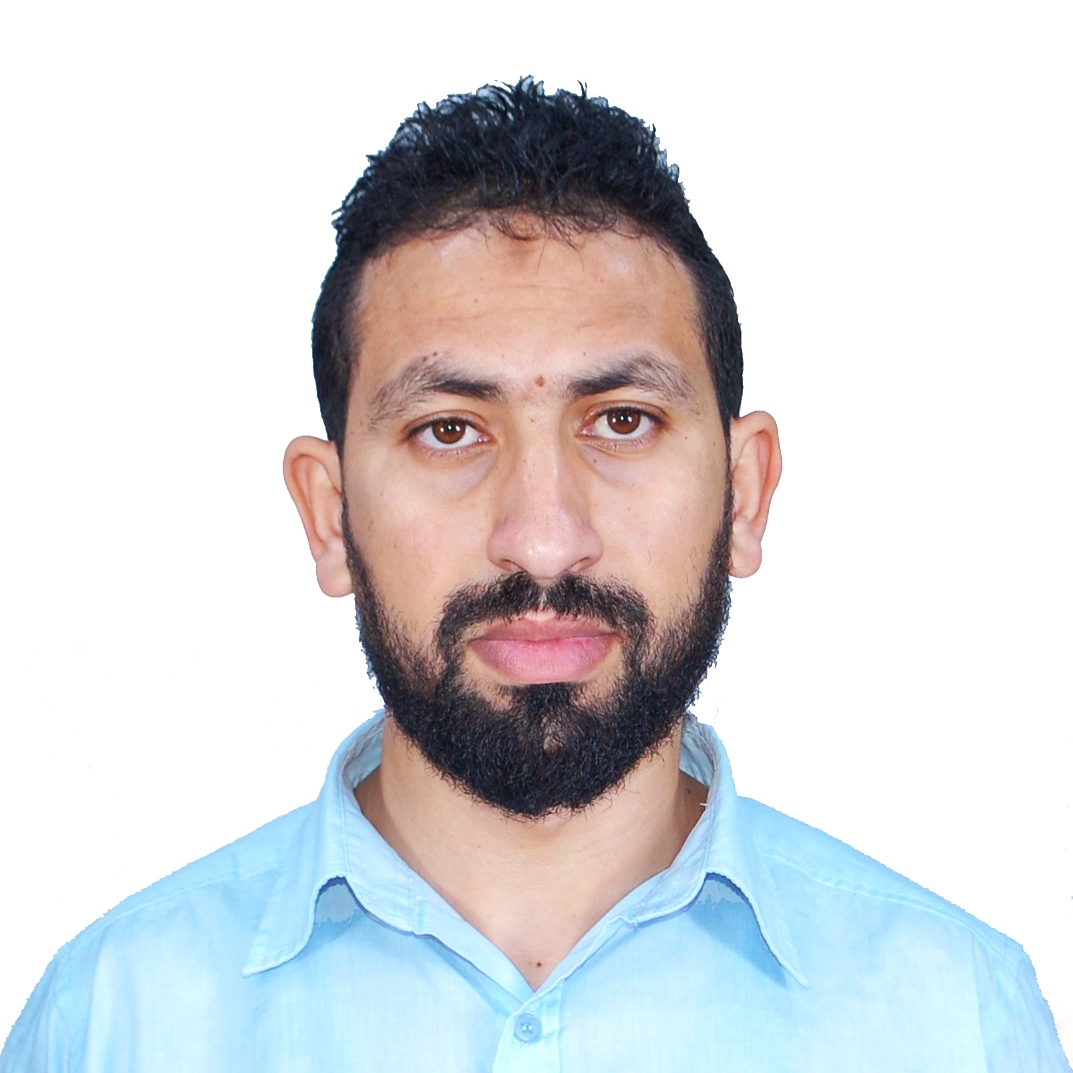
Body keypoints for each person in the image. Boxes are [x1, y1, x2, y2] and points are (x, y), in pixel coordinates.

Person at [2, 77, 1068, 1073]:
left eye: (622, 421)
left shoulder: (955, 1019)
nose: (544, 541)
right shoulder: (113, 1021)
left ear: (744, 493)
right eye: (449, 429)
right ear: (328, 516)